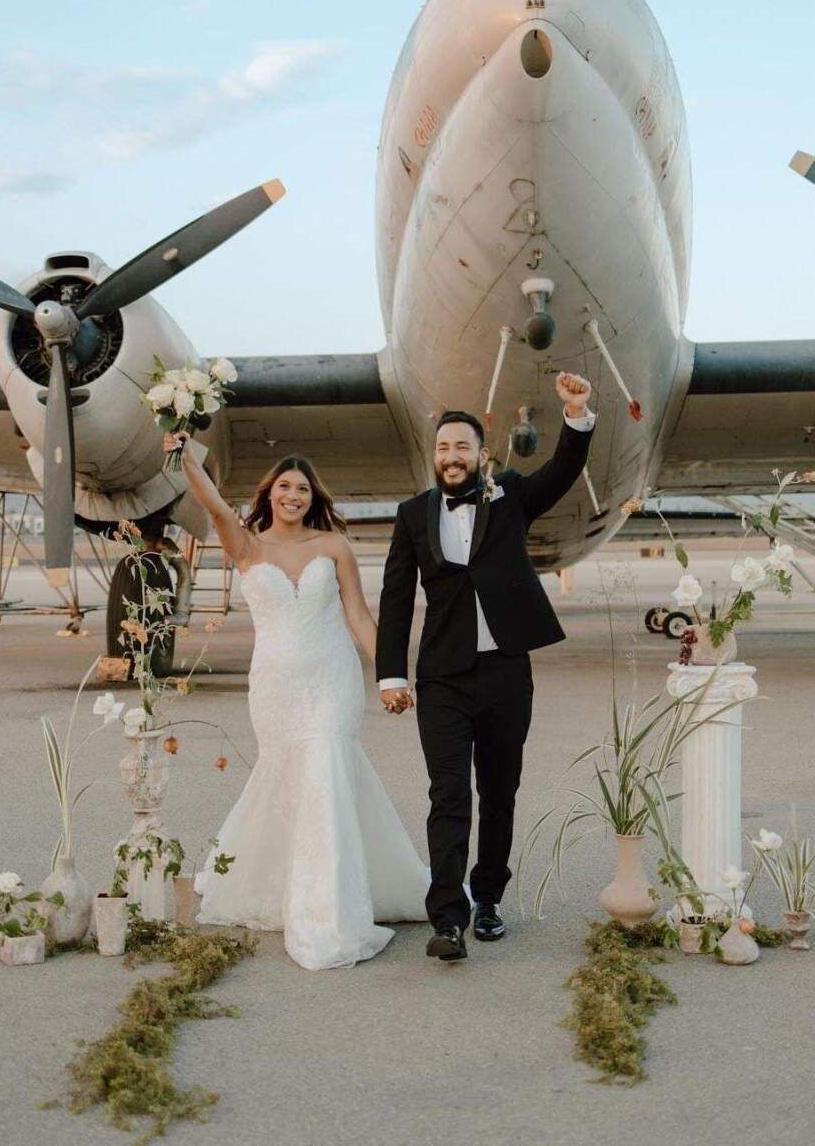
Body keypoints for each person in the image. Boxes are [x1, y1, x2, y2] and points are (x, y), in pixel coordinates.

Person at [165, 432, 428, 971]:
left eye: (303, 488)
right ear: (270, 493)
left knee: (327, 768)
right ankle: (296, 887)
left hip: (331, 680)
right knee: (293, 779)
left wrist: (393, 676)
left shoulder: (333, 547)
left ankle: (328, 912)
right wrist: (185, 453)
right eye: (285, 486)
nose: (294, 495)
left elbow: (358, 615)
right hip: (275, 689)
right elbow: (212, 501)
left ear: (314, 497)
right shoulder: (246, 545)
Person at [376, 373, 595, 962]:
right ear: (435, 456)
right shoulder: (411, 515)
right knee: (449, 794)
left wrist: (576, 416)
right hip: (442, 677)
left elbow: (561, 474)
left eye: (463, 447)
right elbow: (396, 599)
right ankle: (447, 919)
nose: (452, 456)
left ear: (481, 455)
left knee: (500, 792)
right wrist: (390, 674)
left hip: (505, 673)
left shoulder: (511, 496)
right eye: (444, 447)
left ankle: (489, 900)